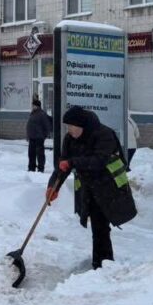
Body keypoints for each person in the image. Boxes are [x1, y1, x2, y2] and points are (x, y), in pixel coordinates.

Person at [46, 106, 132, 269]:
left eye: (71, 126)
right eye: (67, 126)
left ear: (81, 125)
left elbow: (99, 161)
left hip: (109, 187)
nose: (69, 130)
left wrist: (72, 162)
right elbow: (63, 165)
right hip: (90, 188)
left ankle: (103, 265)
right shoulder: (70, 139)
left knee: (101, 227)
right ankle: (100, 265)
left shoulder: (104, 134)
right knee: (98, 227)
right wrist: (53, 186)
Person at [26, 98, 53, 172]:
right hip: (32, 137)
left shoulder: (42, 114)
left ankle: (41, 168)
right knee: (31, 154)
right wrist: (28, 135)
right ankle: (31, 168)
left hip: (39, 137)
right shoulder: (32, 113)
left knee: (40, 154)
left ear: (37, 106)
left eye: (33, 105)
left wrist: (44, 136)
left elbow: (47, 126)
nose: (32, 106)